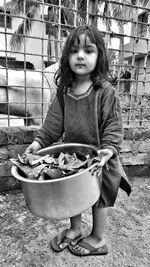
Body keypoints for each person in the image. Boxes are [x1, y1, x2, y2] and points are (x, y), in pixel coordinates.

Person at [25, 25, 131, 257]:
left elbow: (113, 125)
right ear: (66, 57)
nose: (80, 55)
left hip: (101, 160)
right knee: (73, 195)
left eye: (88, 50)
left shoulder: (105, 92)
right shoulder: (65, 91)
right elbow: (53, 123)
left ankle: (98, 237)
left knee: (98, 198)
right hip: (73, 159)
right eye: (74, 51)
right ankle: (74, 229)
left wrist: (109, 150)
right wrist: (38, 144)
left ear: (100, 56)